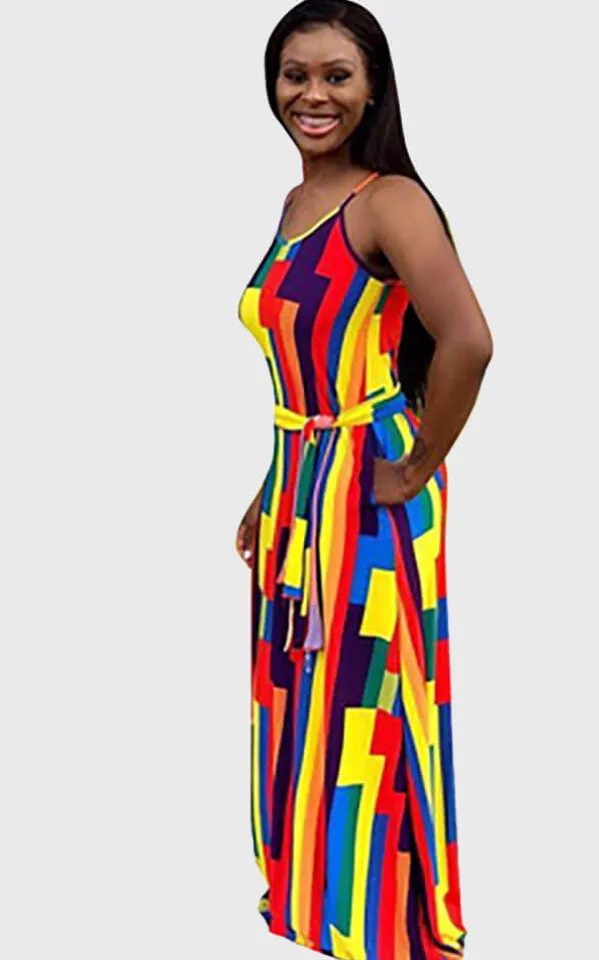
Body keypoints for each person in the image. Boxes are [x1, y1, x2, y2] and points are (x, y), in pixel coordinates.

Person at [236, 2, 493, 957]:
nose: (314, 94)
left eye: (337, 75)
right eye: (295, 74)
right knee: (303, 695)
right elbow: (306, 370)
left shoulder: (389, 203)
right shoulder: (295, 203)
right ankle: (325, 905)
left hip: (365, 493)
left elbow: (468, 341)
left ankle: (390, 930)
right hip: (303, 490)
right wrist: (272, 489)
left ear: (373, 88)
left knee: (367, 707)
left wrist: (417, 465)